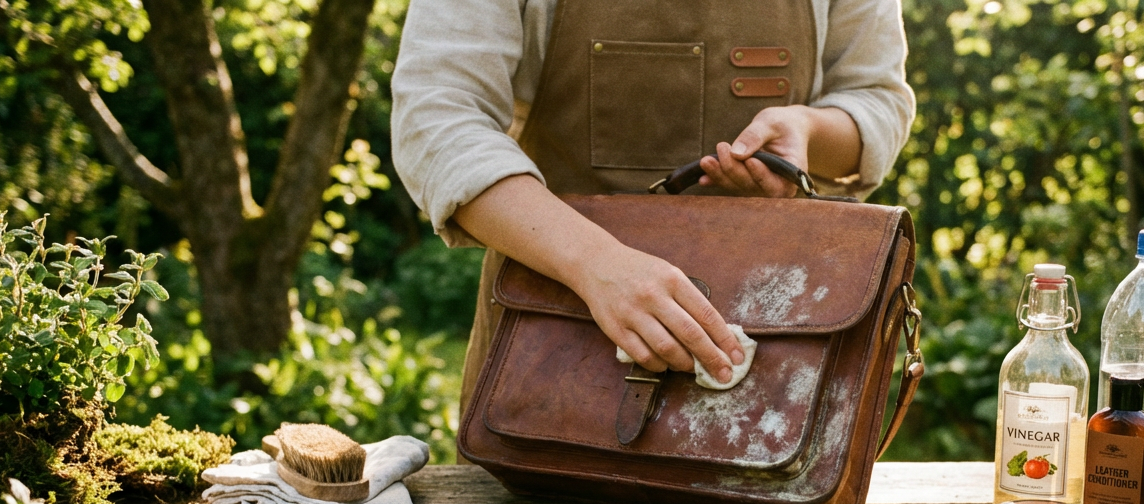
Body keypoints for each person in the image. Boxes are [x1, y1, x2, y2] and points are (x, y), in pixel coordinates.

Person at [391, 0, 915, 423]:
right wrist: (595, 264)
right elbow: (437, 116)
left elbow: (877, 99)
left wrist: (809, 130)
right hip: (546, 342)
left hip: (779, 342)